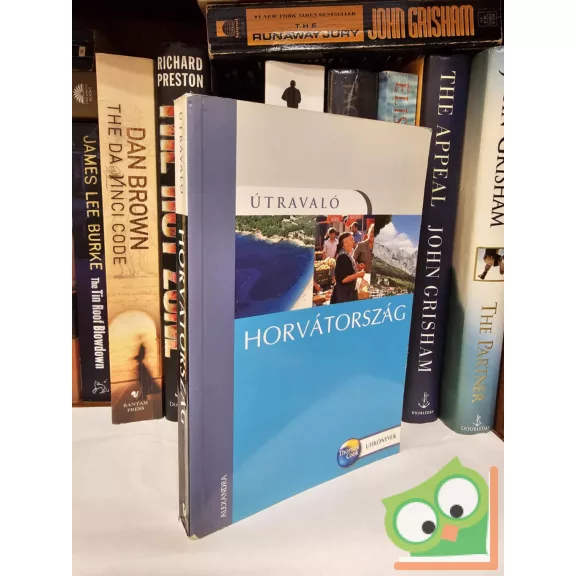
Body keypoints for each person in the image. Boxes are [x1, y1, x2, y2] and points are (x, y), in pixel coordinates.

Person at [330, 232, 365, 304]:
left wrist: (357, 267)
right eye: (351, 239)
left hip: (346, 293)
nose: (353, 242)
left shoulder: (345, 254)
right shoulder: (343, 257)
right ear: (344, 243)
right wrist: (359, 275)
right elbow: (344, 279)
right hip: (344, 295)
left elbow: (347, 271)